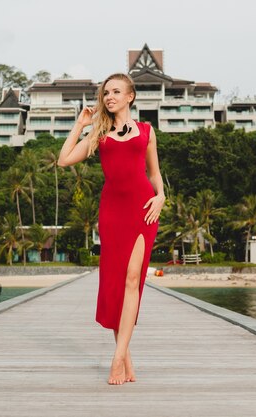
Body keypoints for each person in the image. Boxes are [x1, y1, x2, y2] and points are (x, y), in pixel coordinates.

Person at [58, 73, 165, 385]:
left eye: (116, 92)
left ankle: (117, 359)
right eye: (106, 93)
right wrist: (81, 124)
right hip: (112, 213)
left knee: (133, 280)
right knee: (116, 285)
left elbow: (155, 173)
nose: (109, 97)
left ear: (130, 96)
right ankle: (127, 361)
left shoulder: (146, 131)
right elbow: (64, 160)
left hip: (144, 209)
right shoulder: (99, 134)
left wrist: (161, 196)